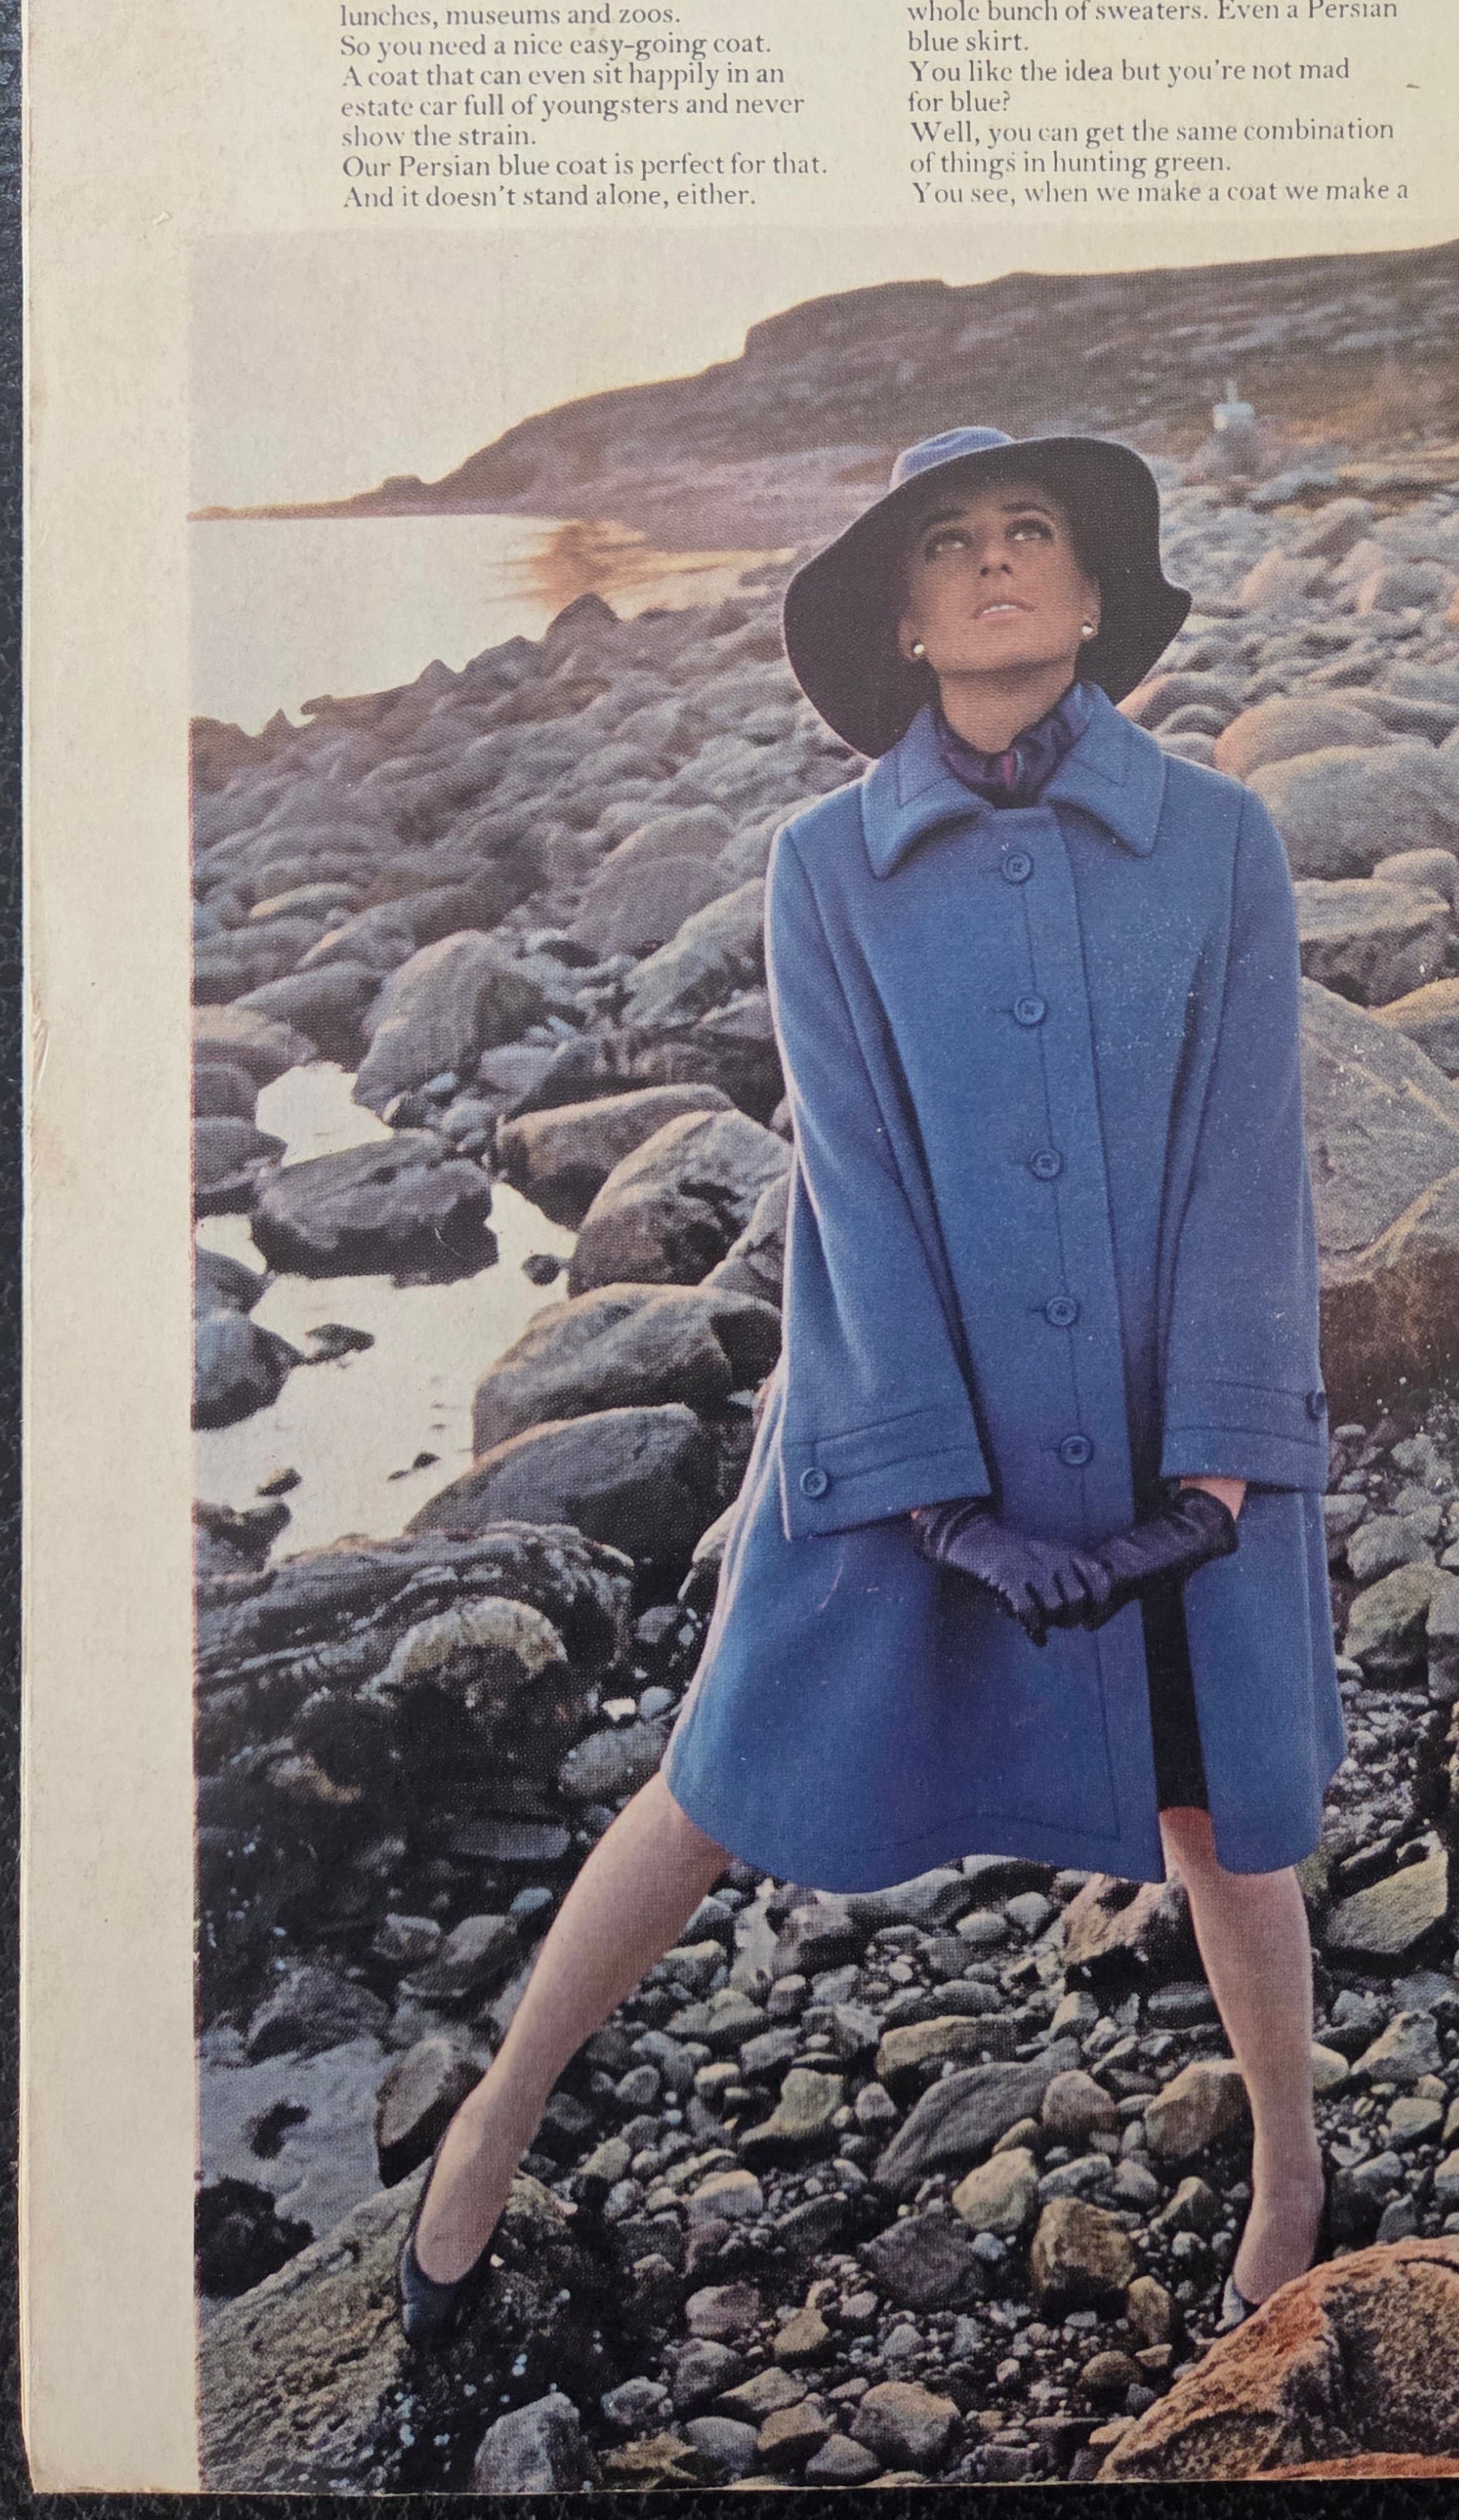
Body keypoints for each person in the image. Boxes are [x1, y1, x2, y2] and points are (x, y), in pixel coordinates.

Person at [398, 427, 1346, 2350]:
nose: (995, 564)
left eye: (1033, 535)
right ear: (904, 617)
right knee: (721, 1771)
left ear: (1090, 598)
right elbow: (857, 1178)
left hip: (1180, 1421)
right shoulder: (821, 867)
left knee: (1215, 1808)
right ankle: (488, 2132)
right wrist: (938, 1495)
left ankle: (1294, 2177)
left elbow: (1254, 1156)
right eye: (950, 543)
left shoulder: (1224, 843)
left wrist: (1224, 1478)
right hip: (905, 1409)